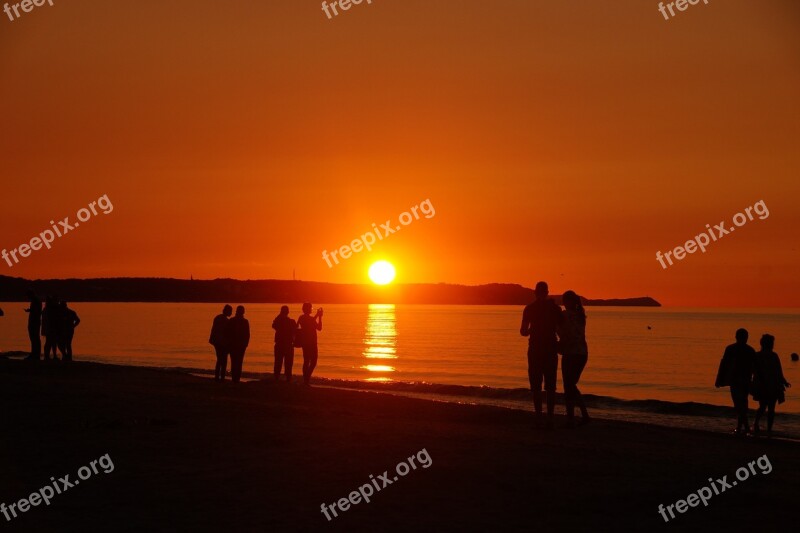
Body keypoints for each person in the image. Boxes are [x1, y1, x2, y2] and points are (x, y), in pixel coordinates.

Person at [520, 281, 562, 429]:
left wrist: (534, 329)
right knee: (551, 386)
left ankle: (538, 417)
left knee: (536, 385)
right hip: (550, 349)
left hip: (535, 350)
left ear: (535, 292)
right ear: (547, 292)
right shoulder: (555, 308)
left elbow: (523, 332)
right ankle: (550, 417)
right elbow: (560, 331)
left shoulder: (529, 309)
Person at [715, 328, 756, 435]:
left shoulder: (731, 348)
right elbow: (754, 368)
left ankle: (742, 426)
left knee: (738, 403)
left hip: (736, 380)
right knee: (742, 402)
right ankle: (744, 426)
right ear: (746, 337)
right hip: (744, 380)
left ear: (736, 337)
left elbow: (723, 365)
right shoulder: (750, 350)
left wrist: (719, 379)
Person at [559, 290, 590, 427]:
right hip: (582, 354)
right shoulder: (581, 315)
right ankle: (583, 414)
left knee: (569, 386)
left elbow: (560, 331)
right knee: (571, 385)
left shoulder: (566, 315)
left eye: (565, 301)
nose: (564, 304)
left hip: (571, 353)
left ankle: (572, 417)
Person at [752, 334, 791, 437]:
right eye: (771, 343)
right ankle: (768, 428)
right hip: (770, 385)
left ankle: (757, 423)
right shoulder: (772, 356)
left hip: (765, 385)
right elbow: (779, 371)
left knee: (763, 406)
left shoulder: (758, 355)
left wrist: (784, 381)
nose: (772, 344)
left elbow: (778, 371)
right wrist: (784, 382)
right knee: (770, 408)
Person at [297, 303, 323, 386]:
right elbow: (309, 324)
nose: (312, 309)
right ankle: (306, 379)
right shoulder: (303, 318)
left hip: (308, 342)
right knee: (310, 361)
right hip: (309, 343)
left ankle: (306, 379)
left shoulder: (303, 318)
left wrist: (320, 317)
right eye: (311, 308)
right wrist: (317, 315)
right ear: (308, 309)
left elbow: (319, 328)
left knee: (308, 361)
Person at [272, 305, 296, 382]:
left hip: (280, 344)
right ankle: (288, 379)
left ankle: (277, 378)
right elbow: (295, 329)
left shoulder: (279, 321)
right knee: (288, 364)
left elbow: (274, 325)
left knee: (278, 362)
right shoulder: (291, 322)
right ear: (288, 312)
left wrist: (280, 315)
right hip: (288, 345)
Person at [209, 305, 232, 381]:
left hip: (216, 341)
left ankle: (217, 376)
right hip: (221, 342)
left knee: (219, 359)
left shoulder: (218, 318)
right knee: (223, 360)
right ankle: (222, 377)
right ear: (227, 311)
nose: (231, 313)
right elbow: (226, 333)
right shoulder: (226, 321)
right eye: (230, 311)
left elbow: (214, 330)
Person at [227, 306, 250, 384]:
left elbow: (228, 333)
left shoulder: (232, 320)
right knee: (239, 362)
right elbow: (247, 335)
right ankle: (236, 379)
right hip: (239, 345)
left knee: (234, 362)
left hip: (235, 345)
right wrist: (245, 344)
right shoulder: (244, 321)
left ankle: (235, 378)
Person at [41, 296, 62, 361]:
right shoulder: (49, 309)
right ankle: (48, 356)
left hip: (49, 328)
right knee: (50, 342)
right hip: (50, 328)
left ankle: (48, 356)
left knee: (50, 342)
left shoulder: (46, 309)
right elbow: (52, 319)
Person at [24, 290, 42, 360]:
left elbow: (36, 310)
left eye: (28, 296)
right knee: (35, 338)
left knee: (34, 338)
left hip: (34, 321)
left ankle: (35, 354)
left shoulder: (35, 300)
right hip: (36, 321)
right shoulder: (37, 300)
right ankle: (35, 354)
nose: (28, 297)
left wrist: (30, 310)